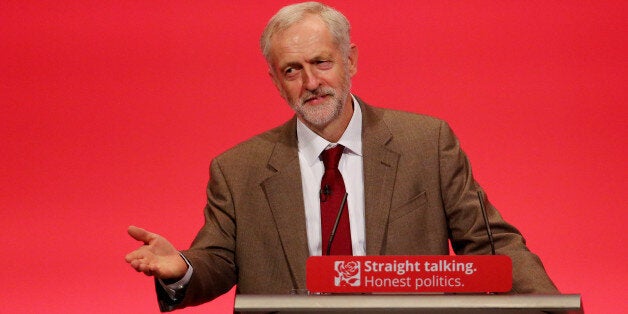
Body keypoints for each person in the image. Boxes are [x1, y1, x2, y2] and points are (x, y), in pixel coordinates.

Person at [125, 1, 558, 311]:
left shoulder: (426, 142)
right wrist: (180, 267)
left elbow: (491, 245)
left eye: (321, 62)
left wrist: (553, 309)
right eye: (292, 69)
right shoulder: (238, 169)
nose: (311, 81)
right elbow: (218, 261)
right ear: (276, 81)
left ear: (350, 61)